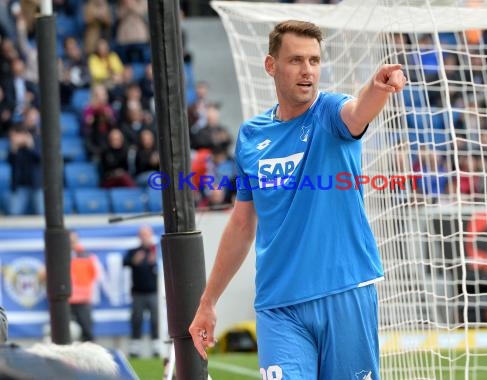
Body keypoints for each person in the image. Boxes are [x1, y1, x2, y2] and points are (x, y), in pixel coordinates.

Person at [189, 20, 406, 379]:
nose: (308, 71)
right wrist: (207, 302)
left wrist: (377, 87)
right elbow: (242, 224)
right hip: (279, 305)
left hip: (345, 292)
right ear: (271, 66)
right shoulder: (251, 136)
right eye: (296, 61)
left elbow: (356, 113)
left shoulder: (329, 112)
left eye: (314, 61)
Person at [123, 225, 160, 358]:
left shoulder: (156, 250)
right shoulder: (134, 251)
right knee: (136, 319)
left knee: (155, 320)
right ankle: (135, 347)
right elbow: (125, 262)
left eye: (147, 234)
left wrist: (155, 262)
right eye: (142, 234)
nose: (145, 237)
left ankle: (156, 346)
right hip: (138, 293)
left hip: (153, 292)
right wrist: (134, 261)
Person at [69, 231, 99, 342]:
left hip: (83, 299)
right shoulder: (58, 254)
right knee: (66, 333)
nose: (71, 242)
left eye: (73, 240)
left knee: (87, 332)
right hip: (65, 300)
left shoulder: (87, 255)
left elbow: (95, 274)